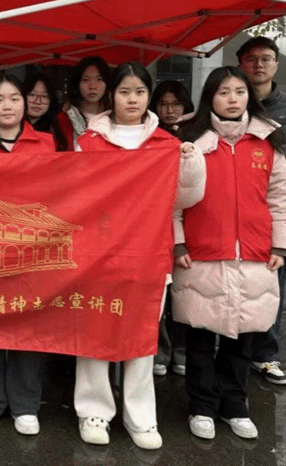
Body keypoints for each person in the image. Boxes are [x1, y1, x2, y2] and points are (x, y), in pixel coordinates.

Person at [74, 62, 205, 451]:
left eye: (140, 92)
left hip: (148, 254)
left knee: (142, 335)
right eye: (124, 91)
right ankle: (93, 410)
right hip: (98, 253)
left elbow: (186, 199)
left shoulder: (166, 144)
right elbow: (75, 196)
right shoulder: (88, 143)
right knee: (94, 329)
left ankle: (141, 416)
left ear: (149, 96)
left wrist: (190, 163)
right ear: (111, 95)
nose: (132, 99)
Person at [174, 66, 286, 440]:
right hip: (201, 255)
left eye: (240, 92)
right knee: (199, 341)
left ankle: (235, 406)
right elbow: (171, 201)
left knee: (242, 341)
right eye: (224, 92)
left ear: (250, 97)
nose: (232, 99)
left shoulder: (266, 141)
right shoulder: (190, 140)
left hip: (255, 255)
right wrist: (177, 242)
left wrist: (281, 244)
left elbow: (281, 198)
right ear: (210, 97)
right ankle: (202, 406)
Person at [0, 75, 55, 436]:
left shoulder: (46, 144)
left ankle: (26, 403)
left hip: (33, 250)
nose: (7, 105)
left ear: (25, 103)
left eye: (14, 98)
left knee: (29, 326)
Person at [236, 36, 286, 386]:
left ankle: (265, 354)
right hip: (234, 212)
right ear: (240, 64)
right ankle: (232, 349)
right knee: (234, 281)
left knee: (274, 284)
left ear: (277, 64)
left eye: (266, 58)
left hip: (276, 214)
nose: (259, 65)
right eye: (251, 58)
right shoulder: (230, 101)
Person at [148, 80, 196, 377]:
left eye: (175, 104)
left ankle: (181, 350)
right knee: (160, 295)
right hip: (155, 224)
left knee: (184, 294)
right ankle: (161, 351)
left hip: (190, 223)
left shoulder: (196, 135)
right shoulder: (148, 135)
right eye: (163, 104)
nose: (169, 110)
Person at [58, 56, 111, 148]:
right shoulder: (65, 119)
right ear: (77, 83)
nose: (92, 86)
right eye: (85, 79)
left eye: (99, 79)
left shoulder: (116, 118)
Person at [23, 73, 70, 151]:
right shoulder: (12, 126)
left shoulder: (58, 129)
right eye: (32, 95)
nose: (38, 101)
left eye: (44, 96)